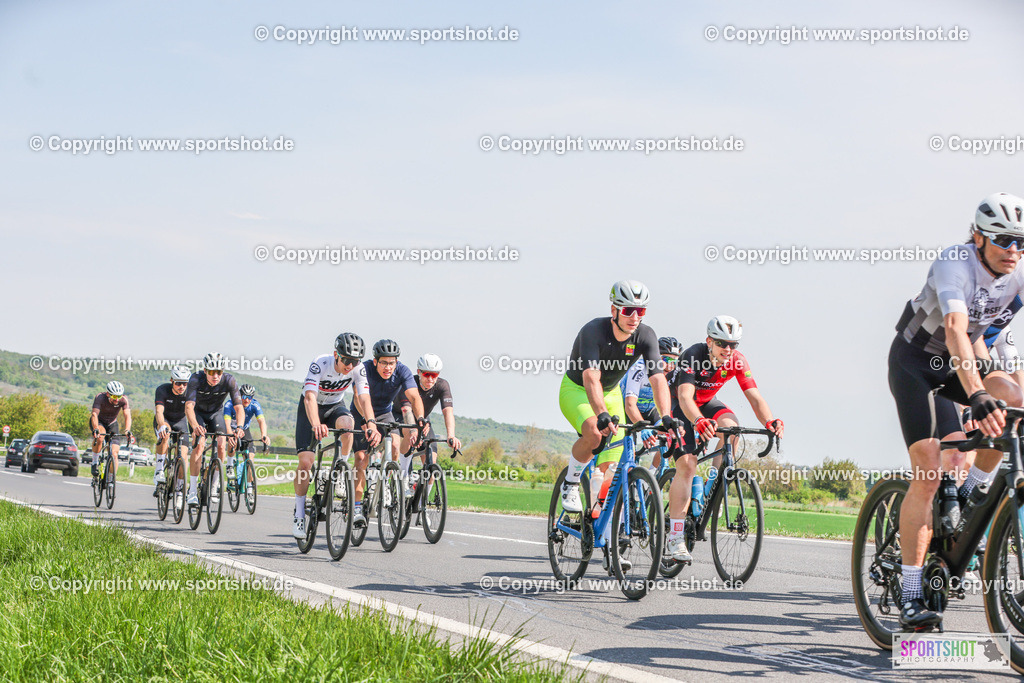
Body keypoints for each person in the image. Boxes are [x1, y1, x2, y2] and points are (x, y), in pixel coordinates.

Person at [888, 192, 1024, 630]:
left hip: (966, 360)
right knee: (928, 472)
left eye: (1022, 242)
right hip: (917, 364)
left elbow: (987, 338)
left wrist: (989, 385)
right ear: (978, 237)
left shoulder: (1017, 273)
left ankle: (975, 490)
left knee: (1015, 399)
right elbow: (954, 329)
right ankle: (910, 593)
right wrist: (977, 392)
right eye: (1004, 240)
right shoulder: (955, 263)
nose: (1014, 251)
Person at [558, 280, 676, 574]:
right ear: (614, 309)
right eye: (628, 310)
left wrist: (666, 417)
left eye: (641, 311)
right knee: (595, 433)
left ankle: (608, 538)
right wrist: (600, 414)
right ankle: (571, 483)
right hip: (578, 390)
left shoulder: (646, 335)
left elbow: (658, 378)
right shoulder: (593, 331)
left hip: (611, 393)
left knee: (611, 471)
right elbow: (590, 377)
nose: (634, 316)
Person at [667, 316, 784, 564]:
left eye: (733, 345)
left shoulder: (737, 361)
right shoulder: (693, 355)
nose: (728, 349)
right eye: (722, 343)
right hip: (679, 403)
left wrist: (770, 422)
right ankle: (674, 538)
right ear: (709, 341)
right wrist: (698, 421)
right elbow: (686, 397)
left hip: (707, 402)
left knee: (732, 429)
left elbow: (754, 397)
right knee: (687, 465)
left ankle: (715, 486)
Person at [293, 333, 379, 539]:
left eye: (355, 361)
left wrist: (372, 423)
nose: (350, 365)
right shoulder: (320, 364)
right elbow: (310, 397)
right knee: (306, 462)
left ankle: (340, 470)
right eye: (346, 360)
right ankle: (298, 513)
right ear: (336, 355)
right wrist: (316, 424)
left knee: (348, 425)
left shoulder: (358, 369)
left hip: (334, 407)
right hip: (311, 409)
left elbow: (364, 398)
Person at [351, 339, 426, 527]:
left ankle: (387, 486)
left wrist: (421, 420)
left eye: (391, 363)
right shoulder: (364, 369)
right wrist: (368, 423)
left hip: (385, 413)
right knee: (361, 458)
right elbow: (359, 397)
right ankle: (357, 506)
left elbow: (414, 397)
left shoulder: (402, 371)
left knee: (394, 445)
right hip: (360, 411)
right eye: (383, 362)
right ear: (375, 361)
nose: (388, 367)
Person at [184, 353, 245, 508]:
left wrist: (239, 427)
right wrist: (195, 425)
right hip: (198, 414)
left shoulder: (229, 380)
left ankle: (214, 486)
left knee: (221, 444)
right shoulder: (195, 379)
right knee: (199, 445)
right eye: (212, 372)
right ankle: (191, 490)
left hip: (216, 413)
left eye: (219, 372)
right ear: (205, 370)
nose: (216, 376)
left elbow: (239, 408)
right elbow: (189, 406)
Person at [392, 353, 463, 465]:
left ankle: (427, 481)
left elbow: (448, 412)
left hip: (423, 419)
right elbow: (407, 411)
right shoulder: (409, 383)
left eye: (434, 375)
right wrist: (414, 430)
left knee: (431, 462)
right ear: (419, 372)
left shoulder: (442, 385)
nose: (430, 379)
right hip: (400, 415)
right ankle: (403, 475)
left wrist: (451, 435)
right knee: (410, 433)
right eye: (426, 374)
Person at [152, 366, 191, 496]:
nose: (182, 386)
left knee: (183, 457)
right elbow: (159, 411)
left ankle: (179, 489)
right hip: (165, 420)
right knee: (165, 434)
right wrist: (162, 424)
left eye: (185, 383)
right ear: (171, 381)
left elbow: (193, 413)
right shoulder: (162, 390)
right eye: (178, 383)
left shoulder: (190, 393)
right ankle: (159, 470)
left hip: (180, 422)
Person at [89, 380, 132, 476]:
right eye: (114, 397)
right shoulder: (100, 397)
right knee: (100, 436)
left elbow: (127, 415)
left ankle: (110, 478)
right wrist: (95, 428)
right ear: (108, 394)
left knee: (114, 453)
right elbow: (94, 414)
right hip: (99, 421)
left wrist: (127, 429)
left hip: (112, 423)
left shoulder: (124, 399)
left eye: (119, 397)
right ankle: (95, 462)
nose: (117, 400)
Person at [223, 384, 270, 467]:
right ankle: (229, 465)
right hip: (229, 428)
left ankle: (248, 479)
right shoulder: (230, 404)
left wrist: (264, 435)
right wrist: (230, 434)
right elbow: (226, 421)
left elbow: (261, 421)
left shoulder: (255, 405)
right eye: (244, 397)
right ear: (240, 395)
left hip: (244, 430)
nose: (247, 400)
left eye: (250, 397)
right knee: (233, 442)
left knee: (250, 457)